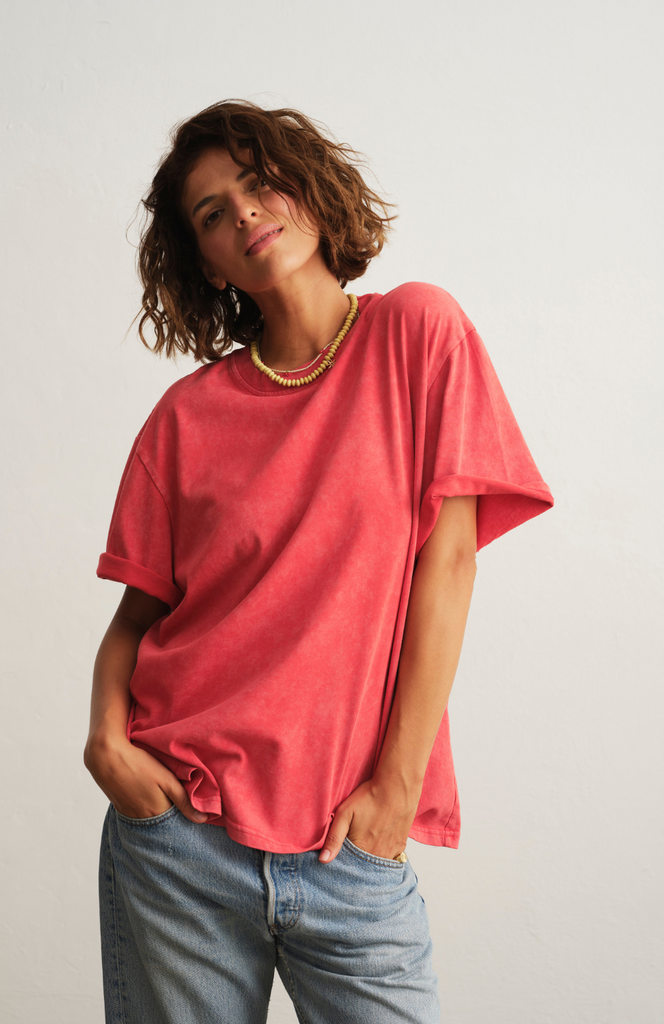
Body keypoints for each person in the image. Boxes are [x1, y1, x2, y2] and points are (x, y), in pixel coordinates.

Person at [85, 99, 554, 1024]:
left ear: (308, 186)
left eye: (258, 183)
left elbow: (448, 568)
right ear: (205, 261)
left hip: (351, 846)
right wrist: (106, 743)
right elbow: (138, 618)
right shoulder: (185, 420)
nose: (244, 213)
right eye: (212, 213)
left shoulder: (417, 332)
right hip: (180, 838)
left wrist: (396, 790)